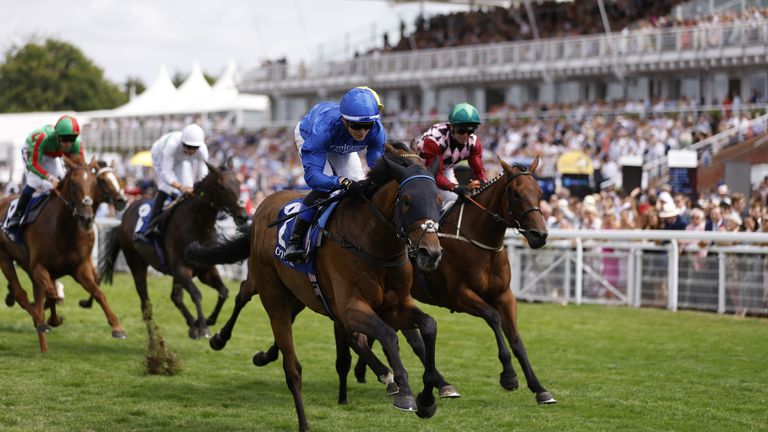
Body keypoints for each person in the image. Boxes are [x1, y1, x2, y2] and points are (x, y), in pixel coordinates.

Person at [282, 87, 386, 262]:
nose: (362, 132)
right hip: (311, 136)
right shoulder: (324, 129)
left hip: (343, 145)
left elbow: (377, 165)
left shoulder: (376, 129)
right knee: (326, 189)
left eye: (367, 126)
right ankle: (296, 240)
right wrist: (342, 182)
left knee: (361, 189)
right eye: (356, 126)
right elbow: (313, 177)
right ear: (345, 120)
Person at [5, 115, 84, 232]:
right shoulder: (43, 137)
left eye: (71, 139)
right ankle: (17, 215)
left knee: (62, 181)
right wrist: (50, 178)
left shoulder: (76, 144)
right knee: (35, 182)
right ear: (57, 136)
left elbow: (80, 169)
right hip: (33, 153)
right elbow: (33, 164)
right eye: (65, 139)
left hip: (51, 156)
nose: (68, 144)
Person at [135, 124, 209, 241]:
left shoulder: (203, 151)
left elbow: (203, 174)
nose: (190, 151)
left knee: (189, 186)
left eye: (194, 148)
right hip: (160, 154)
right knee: (166, 188)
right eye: (188, 147)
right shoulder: (172, 145)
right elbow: (166, 174)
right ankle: (150, 226)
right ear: (183, 143)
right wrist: (180, 187)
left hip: (180, 160)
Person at [416, 102, 488, 203]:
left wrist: (483, 183)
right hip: (420, 170)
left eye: (470, 131)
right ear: (451, 127)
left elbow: (479, 171)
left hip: (444, 170)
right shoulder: (434, 141)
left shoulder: (474, 144)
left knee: (453, 200)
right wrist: (455, 187)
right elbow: (434, 174)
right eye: (461, 131)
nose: (466, 136)